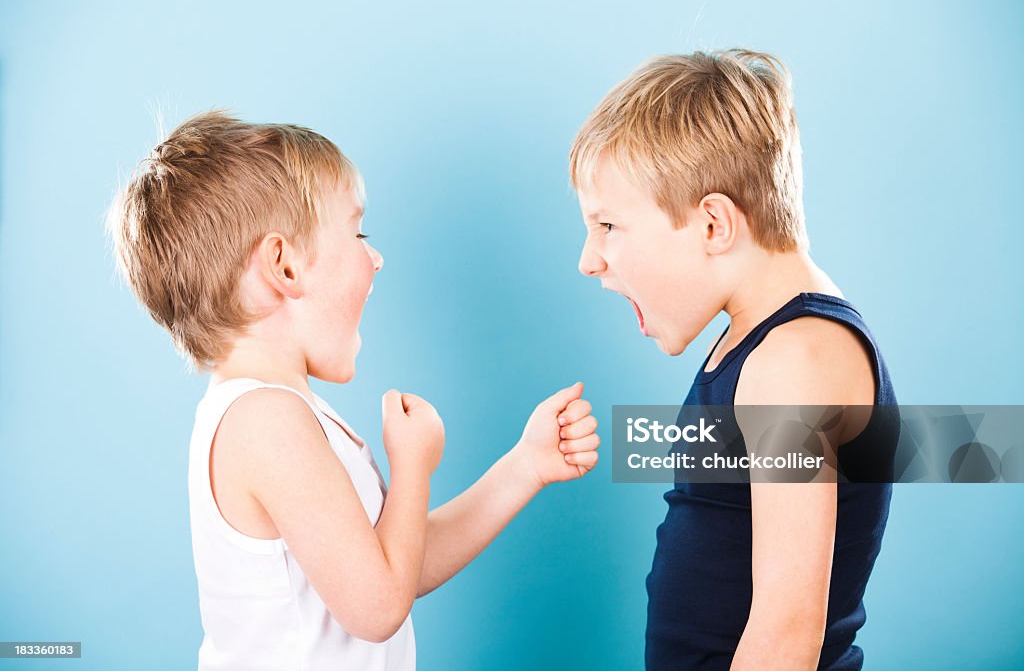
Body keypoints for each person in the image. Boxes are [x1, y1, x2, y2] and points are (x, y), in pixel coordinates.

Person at [107, 111, 601, 670]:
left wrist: (524, 465)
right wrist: (413, 465)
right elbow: (378, 606)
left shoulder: (283, 413)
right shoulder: (265, 421)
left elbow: (396, 563)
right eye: (358, 233)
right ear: (285, 267)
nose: (376, 256)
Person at [569, 50, 898, 670]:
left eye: (608, 225)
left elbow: (785, 632)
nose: (590, 259)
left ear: (714, 224)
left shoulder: (795, 360)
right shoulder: (755, 345)